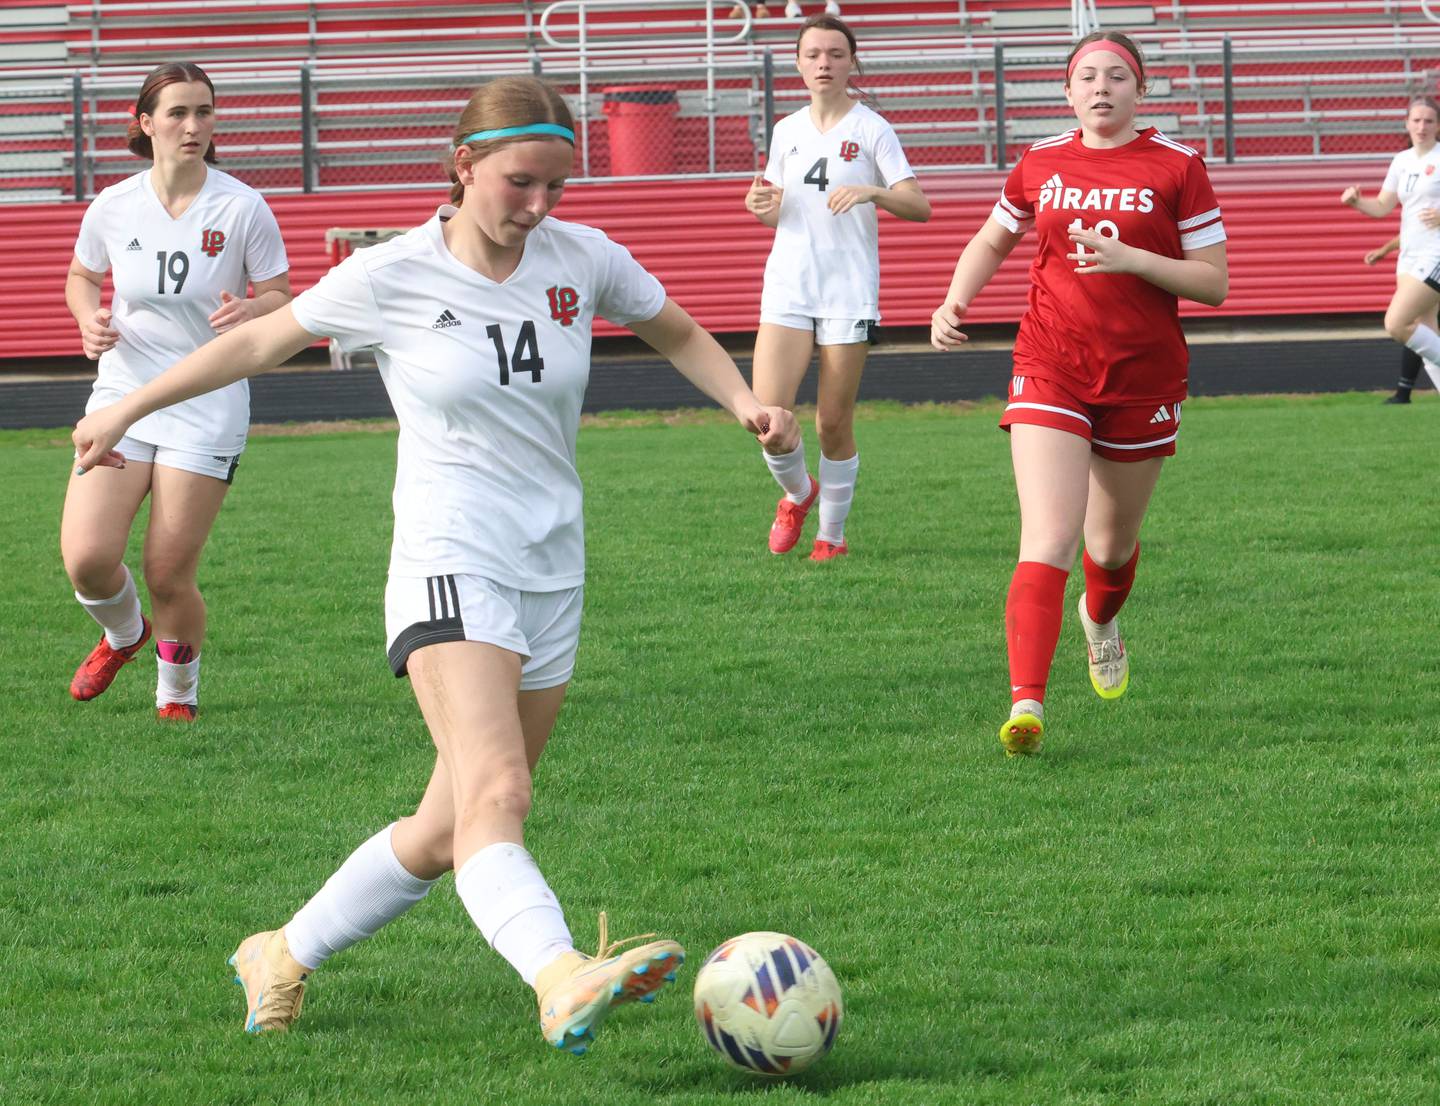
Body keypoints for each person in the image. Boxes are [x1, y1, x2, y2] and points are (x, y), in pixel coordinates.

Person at [72, 76, 799, 1052]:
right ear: (464, 167)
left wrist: (744, 397)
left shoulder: (581, 258)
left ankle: (280, 949)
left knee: (451, 821)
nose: (539, 207)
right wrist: (122, 407)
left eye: (556, 187)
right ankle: (559, 972)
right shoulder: (392, 272)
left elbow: (670, 324)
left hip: (553, 566)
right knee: (501, 791)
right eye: (518, 184)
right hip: (447, 556)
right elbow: (256, 342)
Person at [929, 31, 1228, 755]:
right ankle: (1026, 706)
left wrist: (1132, 258)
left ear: (1142, 90)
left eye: (1118, 76)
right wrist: (954, 300)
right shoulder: (1039, 162)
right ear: (1068, 92)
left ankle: (1100, 620)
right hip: (1050, 360)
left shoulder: (1178, 166)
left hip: (1142, 376)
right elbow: (994, 239)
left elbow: (1213, 283)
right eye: (1087, 76)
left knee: (1111, 546)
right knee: (1049, 535)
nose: (1102, 87)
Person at [62, 61, 291, 722]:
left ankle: (176, 698)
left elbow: (280, 294)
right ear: (146, 123)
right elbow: (82, 277)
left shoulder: (242, 205)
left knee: (167, 571)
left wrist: (254, 308)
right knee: (87, 559)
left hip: (207, 405)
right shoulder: (113, 205)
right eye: (178, 113)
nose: (194, 126)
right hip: (122, 396)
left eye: (204, 112)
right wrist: (87, 317)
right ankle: (123, 635)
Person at [744, 14, 930, 560]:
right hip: (788, 285)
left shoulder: (872, 128)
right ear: (799, 64)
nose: (824, 63)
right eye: (813, 54)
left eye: (835, 54)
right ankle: (798, 495)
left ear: (852, 63)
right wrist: (760, 207)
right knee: (767, 417)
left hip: (848, 290)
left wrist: (872, 191)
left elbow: (919, 205)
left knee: (831, 422)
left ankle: (832, 537)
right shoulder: (786, 130)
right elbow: (777, 209)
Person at [1341, 96, 1440, 398]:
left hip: (1435, 254)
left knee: (1397, 323)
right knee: (1426, 331)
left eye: (1429, 121)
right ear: (1406, 124)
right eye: (1417, 120)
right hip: (1409, 256)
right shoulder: (1402, 160)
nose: (1422, 126)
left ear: (1438, 126)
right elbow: (1383, 206)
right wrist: (1357, 202)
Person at [1362, 234, 1434, 403]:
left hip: (1430, 268)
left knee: (1414, 327)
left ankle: (1403, 392)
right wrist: (1384, 249)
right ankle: (1403, 391)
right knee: (1420, 328)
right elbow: (1413, 231)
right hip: (1425, 269)